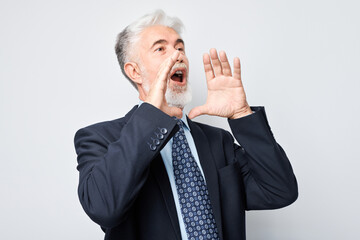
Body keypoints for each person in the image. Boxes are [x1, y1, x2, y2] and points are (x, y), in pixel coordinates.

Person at [74, 9, 298, 240]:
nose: (177, 55)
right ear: (134, 71)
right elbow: (104, 209)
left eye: (180, 48)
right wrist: (151, 116)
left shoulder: (218, 141)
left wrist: (242, 114)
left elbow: (279, 191)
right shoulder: (99, 138)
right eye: (161, 49)